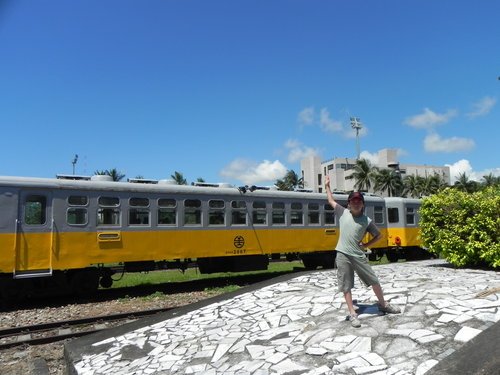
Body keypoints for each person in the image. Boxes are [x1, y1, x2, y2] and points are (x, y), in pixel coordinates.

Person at [325, 176, 400, 327]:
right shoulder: (342, 212)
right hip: (342, 254)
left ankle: (383, 304)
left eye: (359, 201)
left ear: (363, 204)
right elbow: (331, 201)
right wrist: (327, 186)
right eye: (353, 200)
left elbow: (378, 235)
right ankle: (353, 313)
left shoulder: (366, 221)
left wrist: (366, 245)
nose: (356, 203)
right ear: (349, 203)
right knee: (346, 285)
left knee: (374, 280)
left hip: (358, 255)